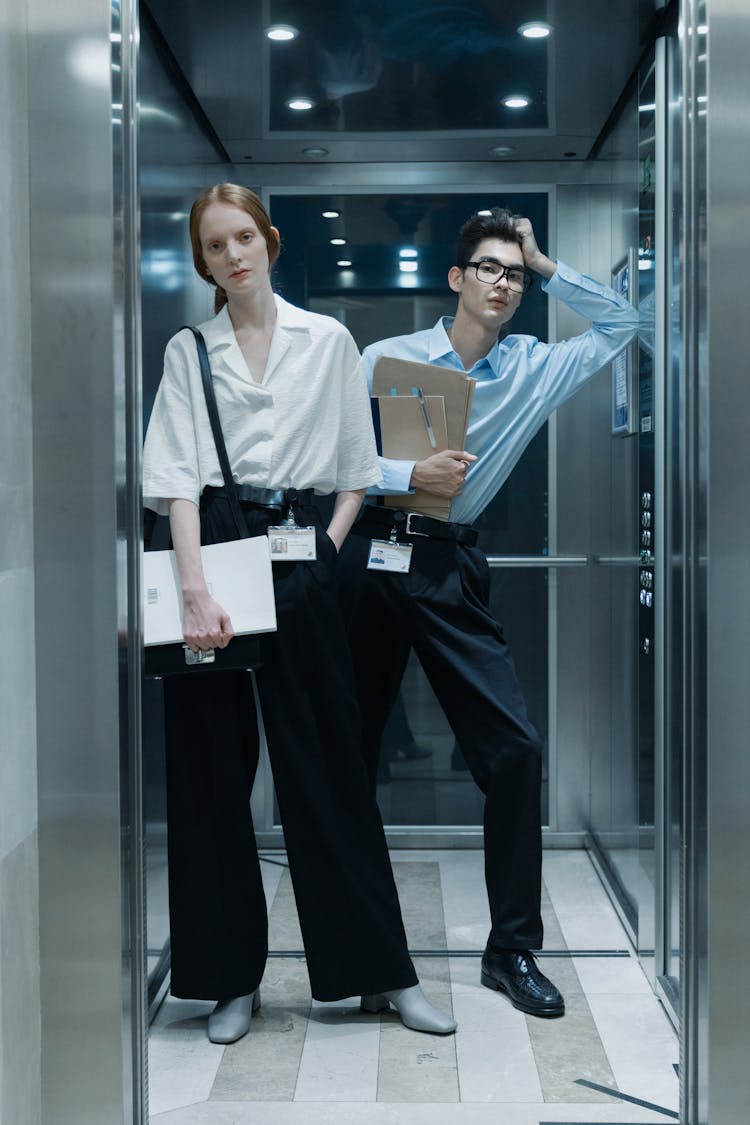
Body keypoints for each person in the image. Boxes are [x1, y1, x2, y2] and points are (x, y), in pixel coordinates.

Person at [142, 183, 456, 1044]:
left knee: (329, 770)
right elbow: (173, 480)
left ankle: (381, 975)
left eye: (244, 237)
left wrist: (327, 549)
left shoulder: (328, 341)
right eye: (215, 245)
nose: (233, 254)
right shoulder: (189, 352)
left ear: (271, 242)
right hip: (212, 549)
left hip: (302, 546)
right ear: (204, 261)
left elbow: (358, 467)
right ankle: (227, 978)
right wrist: (196, 588)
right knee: (209, 776)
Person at [337, 207, 640, 1020]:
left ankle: (511, 950)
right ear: (457, 278)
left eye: (513, 271)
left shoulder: (534, 366)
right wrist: (410, 463)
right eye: (491, 267)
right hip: (370, 555)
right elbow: (328, 453)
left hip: (448, 563)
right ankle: (369, 955)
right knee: (350, 757)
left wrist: (548, 262)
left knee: (513, 751)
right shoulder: (386, 356)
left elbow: (627, 321)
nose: (503, 282)